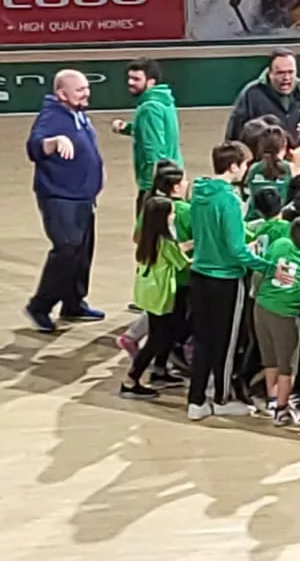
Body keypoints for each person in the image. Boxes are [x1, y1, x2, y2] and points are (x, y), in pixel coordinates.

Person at [186, 143, 276, 420]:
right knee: (225, 343)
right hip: (225, 280)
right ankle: (222, 399)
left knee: (202, 340)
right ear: (234, 166)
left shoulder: (199, 192)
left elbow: (210, 233)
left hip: (199, 275)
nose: (246, 171)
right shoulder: (230, 200)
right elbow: (237, 250)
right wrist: (269, 267)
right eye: (245, 165)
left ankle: (196, 400)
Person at [24, 70, 105, 334]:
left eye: (87, 88)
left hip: (83, 195)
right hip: (60, 197)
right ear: (62, 94)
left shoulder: (78, 113)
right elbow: (34, 147)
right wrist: (54, 141)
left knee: (82, 251)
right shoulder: (52, 116)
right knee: (67, 249)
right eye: (80, 90)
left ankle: (73, 303)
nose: (87, 93)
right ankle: (40, 306)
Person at [255, 215, 300, 425]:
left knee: (270, 358)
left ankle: (272, 400)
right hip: (285, 314)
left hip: (262, 307)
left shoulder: (280, 244)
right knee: (288, 366)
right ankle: (282, 410)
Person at [125, 195, 188, 400]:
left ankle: (159, 371)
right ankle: (131, 380)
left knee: (165, 333)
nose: (174, 216)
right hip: (162, 296)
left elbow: (176, 251)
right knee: (156, 339)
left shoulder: (149, 239)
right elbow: (184, 263)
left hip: (148, 294)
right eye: (171, 213)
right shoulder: (166, 243)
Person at [110, 59, 181, 211]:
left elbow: (153, 149)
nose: (130, 82)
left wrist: (152, 187)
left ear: (151, 82)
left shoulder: (149, 108)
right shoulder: (164, 101)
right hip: (172, 176)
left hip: (156, 183)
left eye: (136, 79)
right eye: (129, 78)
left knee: (147, 232)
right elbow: (156, 130)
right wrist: (128, 128)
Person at [224, 49, 300, 145]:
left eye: (290, 72)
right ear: (269, 73)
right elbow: (235, 135)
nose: (286, 78)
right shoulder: (251, 94)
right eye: (280, 73)